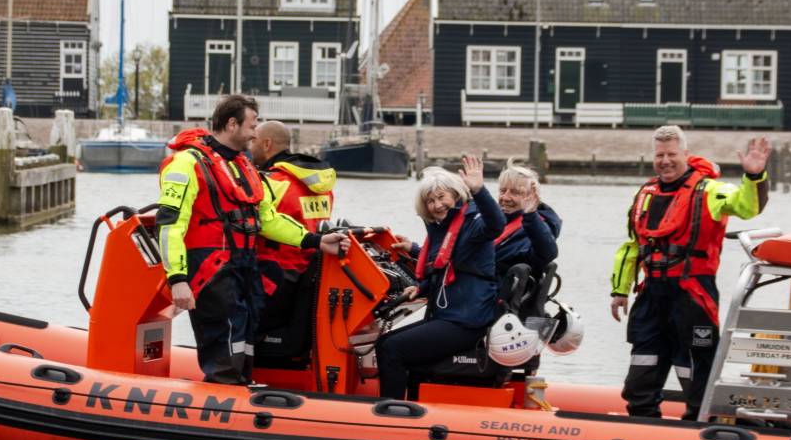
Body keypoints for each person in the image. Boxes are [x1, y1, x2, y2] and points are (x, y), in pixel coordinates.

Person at [157, 95, 349, 385]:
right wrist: (177, 278)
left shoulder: (244, 167)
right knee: (224, 334)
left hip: (244, 268)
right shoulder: (186, 164)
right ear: (232, 124)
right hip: (210, 266)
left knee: (245, 334)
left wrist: (315, 240)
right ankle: (223, 392)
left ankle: (240, 385)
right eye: (252, 125)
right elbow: (170, 224)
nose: (255, 133)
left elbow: (269, 220)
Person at [610, 125, 771, 421]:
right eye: (660, 155)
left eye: (672, 154)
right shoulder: (646, 194)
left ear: (685, 153)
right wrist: (620, 290)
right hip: (652, 294)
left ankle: (700, 424)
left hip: (692, 293)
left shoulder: (710, 190)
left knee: (696, 365)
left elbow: (747, 207)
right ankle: (642, 422)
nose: (665, 161)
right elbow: (633, 246)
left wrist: (753, 176)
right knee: (643, 367)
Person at [376, 156, 506, 400]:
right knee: (384, 343)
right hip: (451, 314)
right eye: (431, 201)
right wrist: (421, 287)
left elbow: (496, 224)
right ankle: (408, 406)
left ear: (456, 195)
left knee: (392, 349)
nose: (437, 205)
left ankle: (389, 413)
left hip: (466, 320)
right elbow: (444, 265)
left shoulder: (474, 222)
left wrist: (478, 189)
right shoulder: (443, 227)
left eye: (441, 197)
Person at [248, 119, 337, 327]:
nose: (249, 148)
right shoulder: (321, 185)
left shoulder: (271, 182)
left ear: (266, 144)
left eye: (254, 142)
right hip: (310, 276)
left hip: (272, 280)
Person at [493, 165, 561, 278]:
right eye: (502, 191)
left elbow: (547, 253)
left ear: (532, 196)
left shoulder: (535, 227)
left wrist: (531, 215)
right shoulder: (491, 219)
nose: (505, 197)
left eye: (515, 193)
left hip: (497, 289)